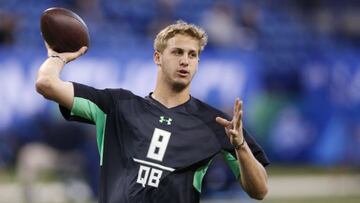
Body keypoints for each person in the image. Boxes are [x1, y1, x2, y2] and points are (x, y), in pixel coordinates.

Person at [35, 20, 269, 203]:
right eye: (177, 52)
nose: (185, 61)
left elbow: (259, 191)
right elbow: (46, 84)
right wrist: (57, 57)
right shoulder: (117, 105)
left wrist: (240, 147)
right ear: (158, 57)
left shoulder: (216, 122)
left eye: (192, 55)